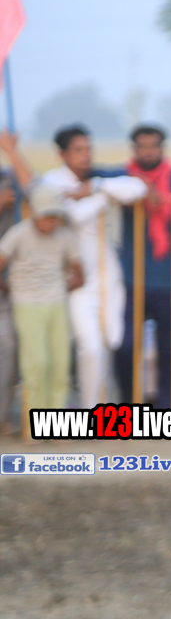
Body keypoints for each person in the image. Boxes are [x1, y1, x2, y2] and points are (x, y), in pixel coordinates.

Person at [93, 124, 171, 407]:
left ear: (162, 149)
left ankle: (163, 411)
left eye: (154, 146)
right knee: (125, 346)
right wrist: (137, 187)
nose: (148, 152)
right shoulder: (125, 176)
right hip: (132, 279)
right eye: (143, 147)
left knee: (169, 351)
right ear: (134, 150)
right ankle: (128, 404)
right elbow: (92, 175)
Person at [41, 124, 148, 409]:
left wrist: (96, 188)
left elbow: (138, 188)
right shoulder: (52, 182)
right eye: (78, 150)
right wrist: (102, 198)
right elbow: (73, 216)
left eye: (88, 149)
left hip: (108, 276)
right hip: (77, 279)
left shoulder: (98, 178)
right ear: (62, 154)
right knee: (89, 346)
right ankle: (90, 410)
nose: (86, 155)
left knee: (112, 341)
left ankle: (102, 407)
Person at [0, 184, 84, 411]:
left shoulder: (65, 237)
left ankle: (56, 420)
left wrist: (60, 287)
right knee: (37, 365)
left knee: (60, 366)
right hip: (26, 305)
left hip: (56, 303)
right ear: (34, 213)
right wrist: (9, 287)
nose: (51, 221)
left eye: (56, 216)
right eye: (47, 215)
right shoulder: (18, 234)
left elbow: (79, 274)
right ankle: (34, 421)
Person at [0, 131, 35, 433]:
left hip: (10, 286)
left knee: (9, 347)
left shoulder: (8, 179)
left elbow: (36, 191)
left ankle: (1, 416)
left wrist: (12, 152)